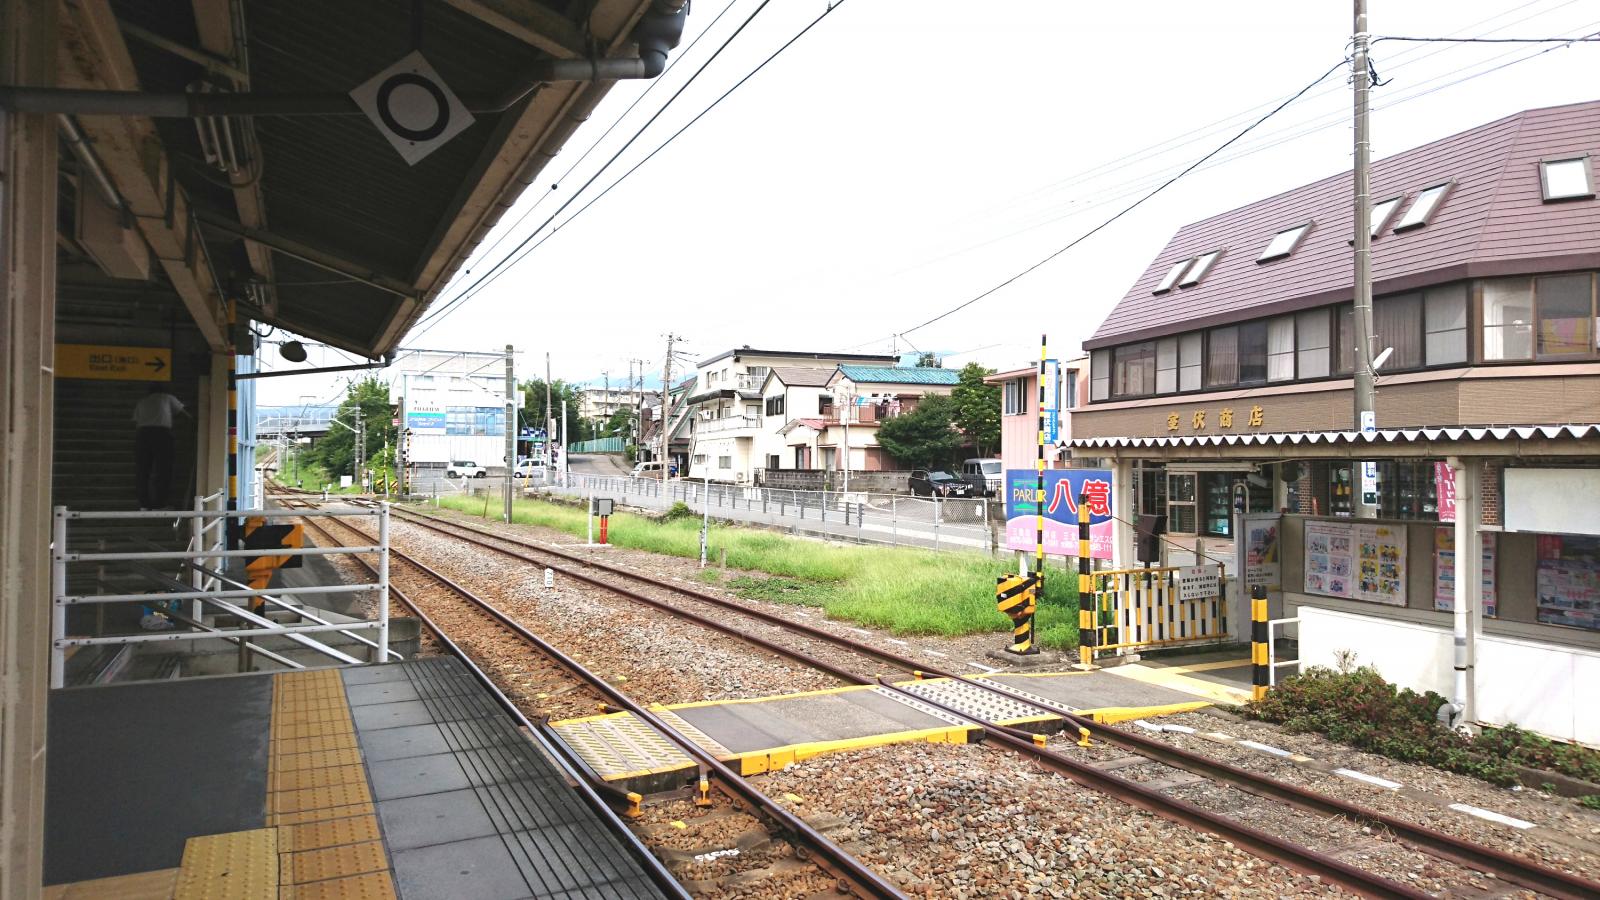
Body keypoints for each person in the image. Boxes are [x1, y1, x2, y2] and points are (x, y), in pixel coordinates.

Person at [133, 383, 187, 510]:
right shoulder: (167, 397)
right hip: (162, 434)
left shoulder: (142, 402)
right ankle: (160, 503)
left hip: (143, 435)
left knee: (143, 471)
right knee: (163, 470)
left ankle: (144, 504)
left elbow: (136, 421)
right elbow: (183, 413)